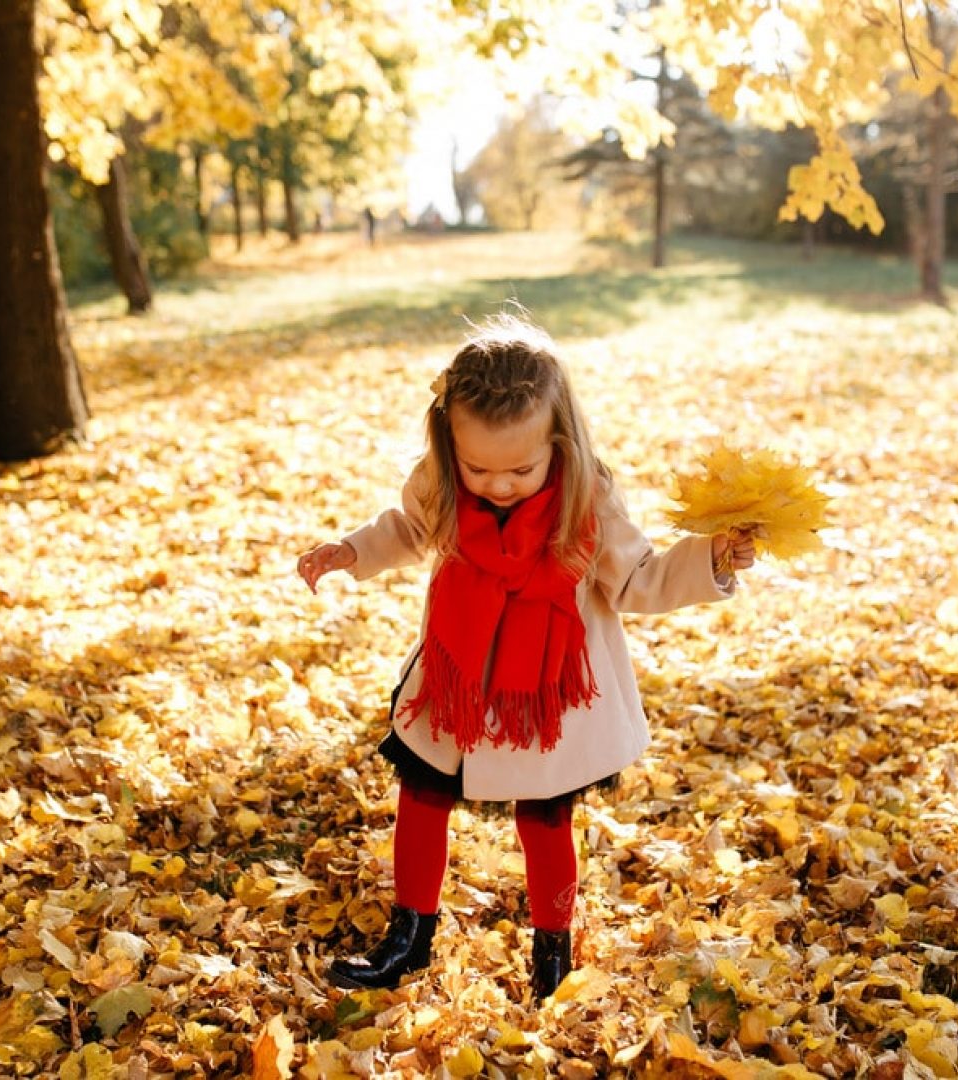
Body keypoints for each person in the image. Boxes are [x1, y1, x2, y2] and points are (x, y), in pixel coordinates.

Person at [296, 315, 755, 1000]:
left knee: (544, 820)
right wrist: (352, 551)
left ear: (558, 442)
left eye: (519, 468)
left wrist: (712, 560)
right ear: (451, 445)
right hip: (459, 679)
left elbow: (640, 580)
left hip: (546, 698)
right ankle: (409, 936)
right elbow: (409, 527)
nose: (499, 485)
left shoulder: (587, 497)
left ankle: (553, 954)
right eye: (479, 467)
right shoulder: (446, 478)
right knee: (421, 795)